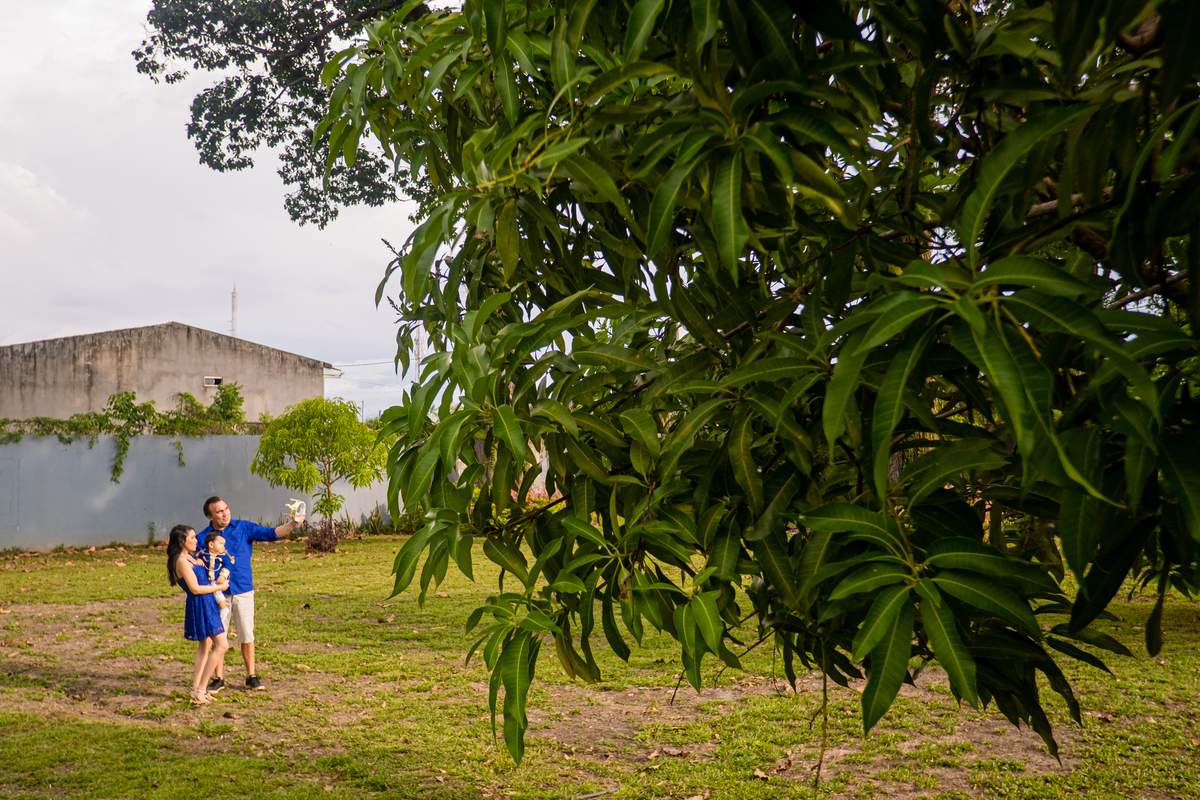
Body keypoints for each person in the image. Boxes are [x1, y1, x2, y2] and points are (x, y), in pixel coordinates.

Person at [198, 495, 304, 692]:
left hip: (243, 589)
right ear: (209, 516)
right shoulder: (203, 538)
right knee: (218, 636)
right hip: (216, 594)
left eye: (226, 508)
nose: (225, 513)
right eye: (219, 511)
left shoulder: (243, 527)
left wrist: (293, 524)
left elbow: (272, 533)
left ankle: (251, 676)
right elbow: (192, 559)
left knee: (247, 633)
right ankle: (218, 678)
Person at [166, 524, 230, 706]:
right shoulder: (180, 561)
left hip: (207, 601)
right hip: (201, 603)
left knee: (206, 645)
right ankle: (201, 689)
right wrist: (220, 587)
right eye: (192, 538)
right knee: (222, 645)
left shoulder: (191, 559)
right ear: (182, 541)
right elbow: (194, 588)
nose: (196, 540)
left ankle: (196, 690)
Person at [198, 530, 234, 686]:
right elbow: (196, 562)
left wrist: (223, 576)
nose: (223, 547)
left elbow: (227, 566)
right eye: (221, 544)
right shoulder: (203, 555)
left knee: (219, 594)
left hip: (215, 583)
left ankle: (223, 609)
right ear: (211, 544)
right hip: (206, 584)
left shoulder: (223, 557)